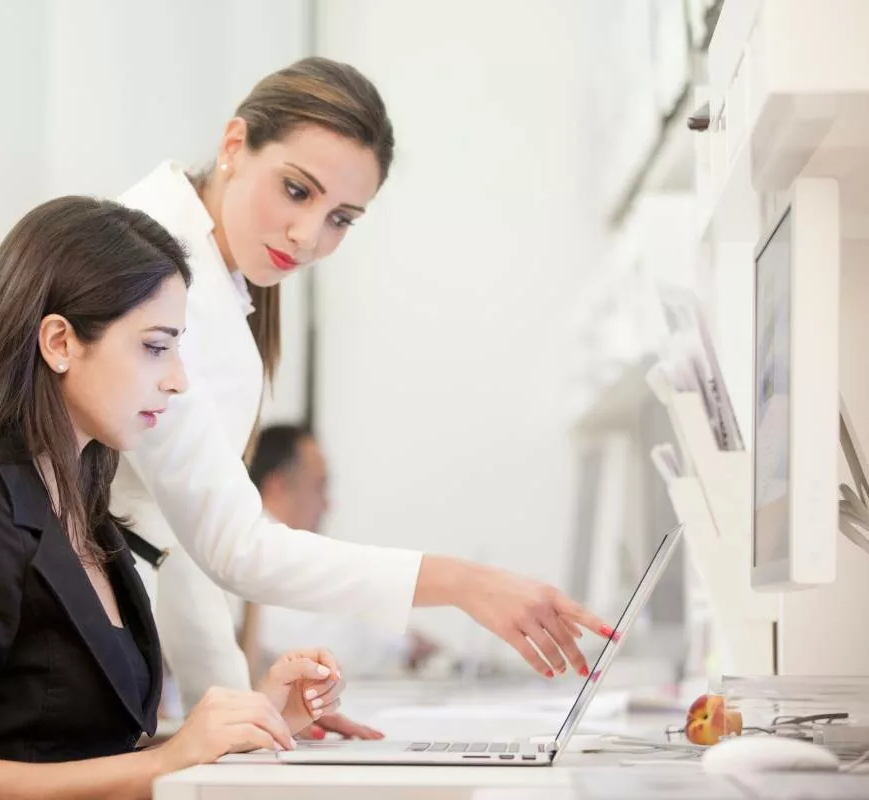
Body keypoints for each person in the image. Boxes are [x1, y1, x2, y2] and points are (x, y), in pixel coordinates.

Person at [111, 56, 611, 736]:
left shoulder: (217, 278)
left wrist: (236, 714)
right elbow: (232, 546)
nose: (307, 236)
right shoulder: (151, 268)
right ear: (235, 145)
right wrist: (464, 584)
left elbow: (183, 539)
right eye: (295, 190)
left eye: (341, 217)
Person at [0, 197, 350, 800]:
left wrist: (245, 727)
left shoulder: (84, 512)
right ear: (60, 342)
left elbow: (89, 750)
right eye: (155, 347)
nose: (178, 379)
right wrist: (169, 760)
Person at [238, 425, 442, 682]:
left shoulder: (279, 549)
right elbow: (305, 639)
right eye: (318, 486)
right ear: (277, 486)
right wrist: (402, 646)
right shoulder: (252, 548)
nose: (327, 504)